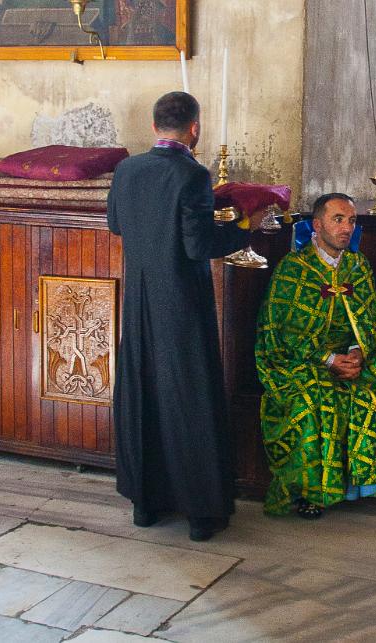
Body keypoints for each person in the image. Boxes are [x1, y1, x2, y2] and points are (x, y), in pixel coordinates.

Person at [107, 91, 267, 541]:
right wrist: (242, 229)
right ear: (194, 129)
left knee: (144, 393)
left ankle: (146, 505)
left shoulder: (126, 169)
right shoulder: (192, 174)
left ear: (155, 125)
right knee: (189, 397)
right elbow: (199, 246)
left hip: (138, 300)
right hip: (181, 301)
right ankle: (200, 515)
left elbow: (116, 224)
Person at [254, 193, 376, 518]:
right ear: (318, 224)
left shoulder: (357, 266)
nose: (346, 228)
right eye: (338, 219)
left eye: (351, 221)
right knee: (317, 399)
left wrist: (355, 353)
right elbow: (284, 330)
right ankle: (311, 491)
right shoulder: (293, 270)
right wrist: (329, 360)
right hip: (302, 361)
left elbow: (369, 317)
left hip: (356, 356)